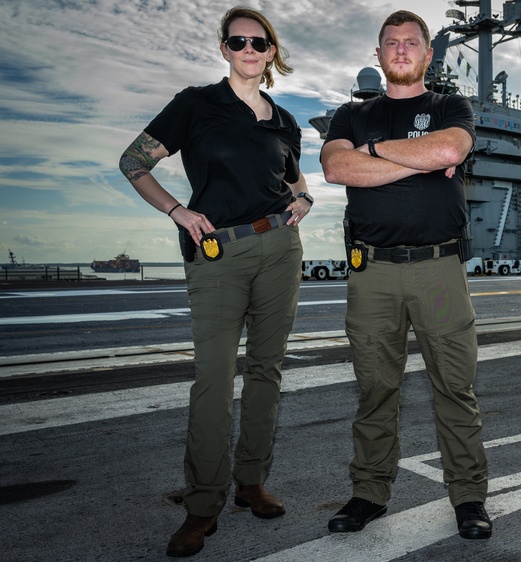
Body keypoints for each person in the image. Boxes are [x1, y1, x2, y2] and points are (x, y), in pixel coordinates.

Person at [118, 6, 311, 557]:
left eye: (259, 42)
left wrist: (305, 198)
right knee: (213, 380)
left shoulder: (282, 118)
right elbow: (133, 161)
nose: (249, 49)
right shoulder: (195, 104)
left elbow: (296, 177)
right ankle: (204, 505)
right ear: (224, 49)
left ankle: (251, 484)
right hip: (217, 252)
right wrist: (177, 210)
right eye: (238, 41)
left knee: (267, 372)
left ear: (271, 51)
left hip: (280, 248)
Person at [319, 10, 491, 540]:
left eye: (410, 42)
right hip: (372, 273)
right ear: (377, 55)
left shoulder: (450, 106)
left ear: (427, 54)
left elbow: (447, 148)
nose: (400, 50)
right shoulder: (350, 115)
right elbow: (335, 169)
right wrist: (410, 159)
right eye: (390, 43)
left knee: (455, 389)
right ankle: (369, 492)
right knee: (375, 390)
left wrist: (371, 156)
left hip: (439, 269)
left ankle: (468, 498)